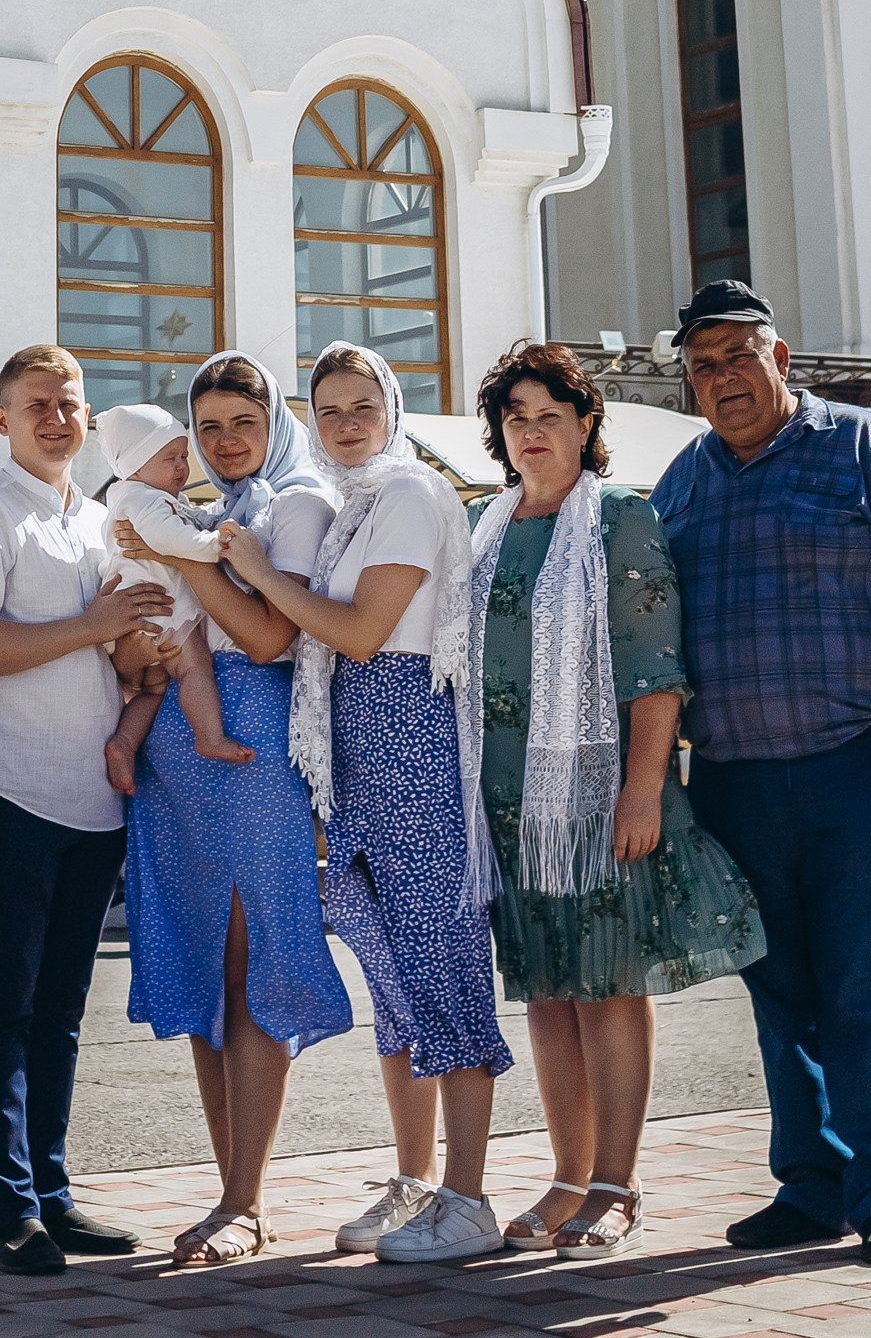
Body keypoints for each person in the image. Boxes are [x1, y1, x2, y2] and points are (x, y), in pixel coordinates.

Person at [651, 281, 871, 1270]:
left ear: (781, 360)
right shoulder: (684, 481)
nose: (722, 380)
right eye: (703, 366)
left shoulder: (865, 448)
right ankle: (810, 1184)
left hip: (855, 764)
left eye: (738, 356)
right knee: (777, 992)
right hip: (735, 778)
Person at [462, 340, 764, 1261]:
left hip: (597, 788)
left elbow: (655, 666)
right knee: (547, 991)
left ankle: (616, 1184)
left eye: (549, 416)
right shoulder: (483, 526)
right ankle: (565, 1175)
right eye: (515, 418)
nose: (530, 432)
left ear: (586, 424)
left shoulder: (620, 518)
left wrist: (643, 786)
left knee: (609, 984)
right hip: (508, 798)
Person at [222, 341, 509, 1271]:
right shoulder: (353, 508)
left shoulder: (412, 494)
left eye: (362, 406)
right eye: (328, 409)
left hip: (409, 741)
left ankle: (470, 1196)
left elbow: (360, 631)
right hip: (357, 756)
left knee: (441, 966)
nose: (346, 424)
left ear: (392, 408)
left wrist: (263, 575)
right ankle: (418, 1181)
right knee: (395, 984)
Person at [116, 354, 351, 1270]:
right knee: (209, 973)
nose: (223, 443)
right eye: (205, 428)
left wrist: (180, 557)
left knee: (255, 968)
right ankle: (228, 1192)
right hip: (179, 755)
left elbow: (265, 634)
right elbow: (160, 633)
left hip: (255, 752)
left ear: (274, 419)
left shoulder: (296, 505)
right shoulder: (209, 515)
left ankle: (245, 1199)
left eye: (238, 424)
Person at [0, 343, 171, 1277]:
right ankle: (10, 1213)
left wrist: (139, 648)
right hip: (11, 790)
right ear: (3, 421)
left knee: (64, 1010)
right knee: (2, 1002)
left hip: (96, 800)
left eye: (68, 403)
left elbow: (114, 658)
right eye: (35, 404)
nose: (54, 418)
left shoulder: (102, 523)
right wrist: (98, 627)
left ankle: (54, 1190)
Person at [92, 403, 252, 797]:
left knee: (153, 690)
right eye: (170, 458)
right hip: (160, 613)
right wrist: (214, 545)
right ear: (135, 467)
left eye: (183, 456)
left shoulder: (127, 499)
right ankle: (209, 735)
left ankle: (124, 743)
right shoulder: (145, 502)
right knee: (194, 669)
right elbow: (171, 540)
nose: (182, 467)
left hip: (138, 620)